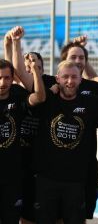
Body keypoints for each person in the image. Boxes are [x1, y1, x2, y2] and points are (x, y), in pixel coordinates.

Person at [33, 60, 98, 223]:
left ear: (81, 79)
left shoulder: (92, 103)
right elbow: (26, 82)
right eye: (65, 77)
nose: (70, 81)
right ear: (57, 79)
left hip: (76, 182)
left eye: (74, 77)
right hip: (46, 179)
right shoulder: (46, 100)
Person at [0, 58, 45, 224]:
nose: (2, 82)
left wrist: (34, 71)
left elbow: (39, 97)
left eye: (6, 77)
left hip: (12, 177)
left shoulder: (17, 94)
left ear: (12, 78)